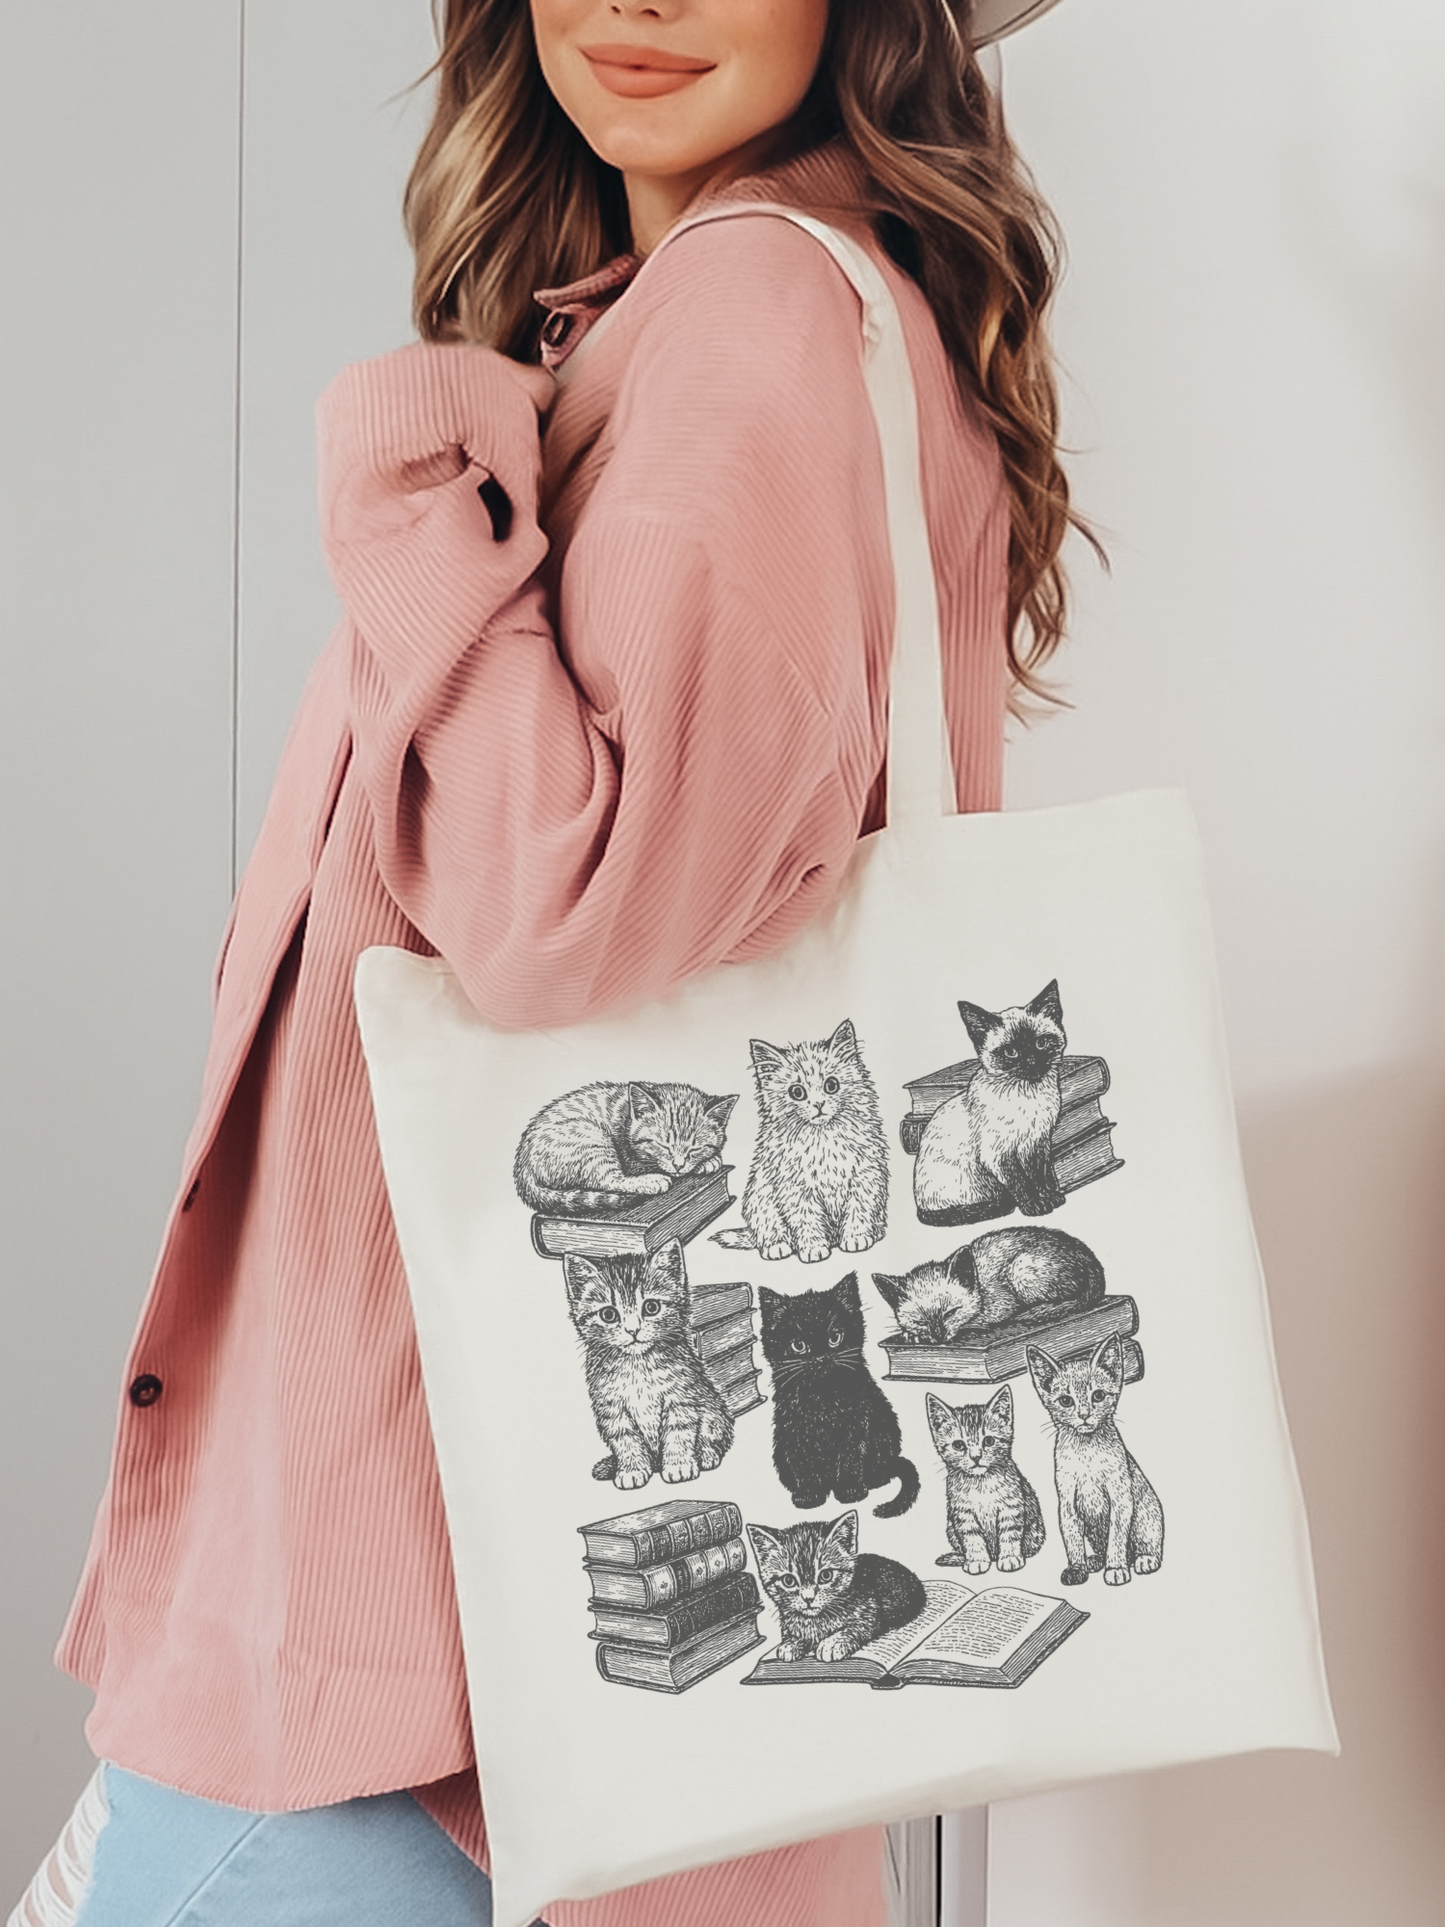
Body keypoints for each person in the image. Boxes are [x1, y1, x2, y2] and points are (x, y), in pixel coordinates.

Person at [11, 0, 1080, 1922]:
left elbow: (565, 911)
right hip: (626, 1711)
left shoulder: (749, 320)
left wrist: (419, 496)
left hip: (417, 1710)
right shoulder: (785, 311)